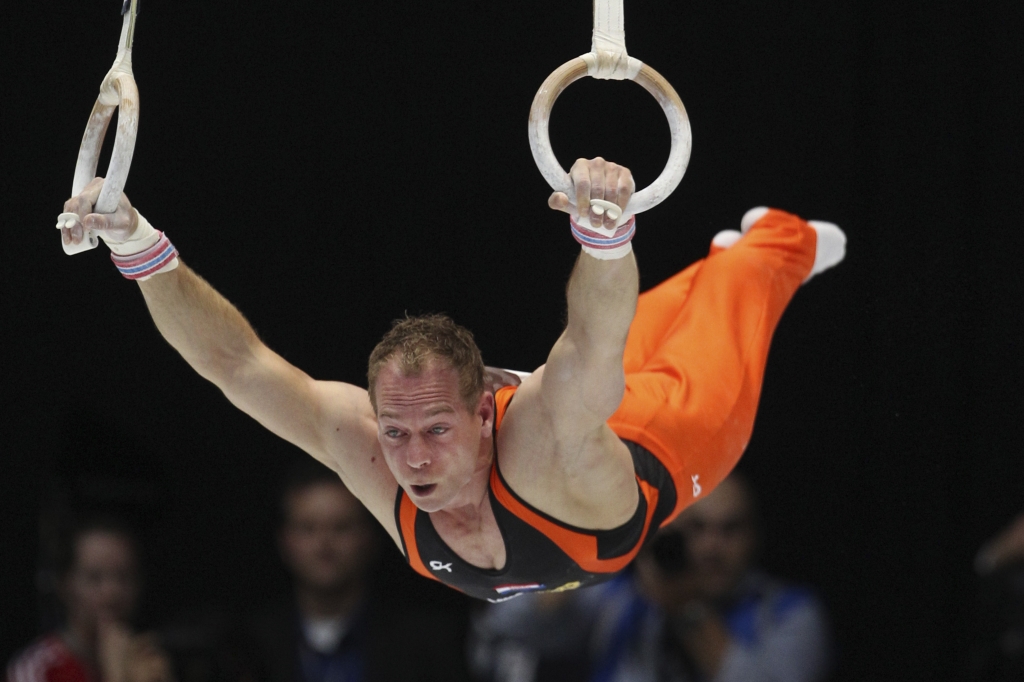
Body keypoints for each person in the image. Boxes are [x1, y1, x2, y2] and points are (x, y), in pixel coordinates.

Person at [57, 156, 845, 602]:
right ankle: (720, 259)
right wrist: (136, 244)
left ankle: (778, 243)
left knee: (744, 280)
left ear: (487, 414)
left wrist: (604, 238)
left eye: (437, 428)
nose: (413, 457)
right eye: (396, 430)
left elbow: (594, 349)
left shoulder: (538, 432)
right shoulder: (367, 445)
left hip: (667, 435)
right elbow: (235, 364)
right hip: (592, 418)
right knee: (671, 302)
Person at [467, 473, 833, 682]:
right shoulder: (622, 598)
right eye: (697, 528)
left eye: (729, 530)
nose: (711, 547)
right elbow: (506, 628)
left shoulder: (788, 613)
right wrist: (595, 552)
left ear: (755, 535)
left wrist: (685, 607)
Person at [247, 458, 470, 682]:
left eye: (341, 527)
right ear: (284, 540)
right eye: (307, 529)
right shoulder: (246, 645)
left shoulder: (425, 642)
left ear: (370, 537)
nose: (324, 545)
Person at [6, 518, 175, 682]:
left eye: (124, 577)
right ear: (64, 585)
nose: (111, 593)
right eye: (95, 578)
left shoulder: (145, 662)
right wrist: (116, 674)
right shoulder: (40, 669)